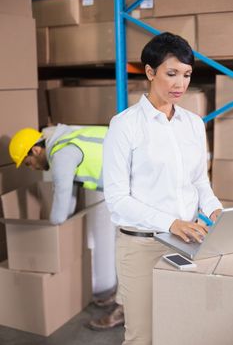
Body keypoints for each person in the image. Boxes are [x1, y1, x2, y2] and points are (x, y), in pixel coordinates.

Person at [103, 32, 223, 345]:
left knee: (180, 329)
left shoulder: (193, 124)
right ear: (150, 72)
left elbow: (199, 181)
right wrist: (172, 222)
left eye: (186, 75)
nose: (179, 84)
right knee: (143, 336)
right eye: (171, 74)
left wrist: (216, 211)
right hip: (141, 247)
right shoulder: (125, 125)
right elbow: (117, 199)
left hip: (186, 242)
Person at [9, 123, 125, 329]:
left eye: (29, 163)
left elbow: (62, 203)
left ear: (36, 150)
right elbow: (68, 198)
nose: (33, 168)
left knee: (130, 252)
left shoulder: (62, 154)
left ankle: (125, 309)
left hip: (138, 183)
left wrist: (49, 232)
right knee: (125, 248)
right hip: (128, 185)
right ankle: (122, 297)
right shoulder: (65, 140)